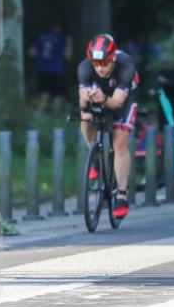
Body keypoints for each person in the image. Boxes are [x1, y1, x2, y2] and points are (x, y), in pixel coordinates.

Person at [77, 33, 138, 219]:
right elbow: (82, 105)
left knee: (119, 141)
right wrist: (85, 99)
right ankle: (95, 158)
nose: (100, 68)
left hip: (123, 98)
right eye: (96, 64)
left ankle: (121, 194)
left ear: (112, 59)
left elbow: (118, 103)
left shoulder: (126, 65)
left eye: (104, 63)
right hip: (100, 95)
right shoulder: (84, 68)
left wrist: (104, 98)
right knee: (86, 119)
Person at [28, 25, 72, 111]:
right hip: (57, 70)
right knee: (58, 95)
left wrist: (42, 56)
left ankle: (38, 115)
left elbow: (31, 53)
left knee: (44, 96)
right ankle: (55, 116)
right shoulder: (61, 39)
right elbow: (67, 56)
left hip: (42, 70)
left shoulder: (42, 38)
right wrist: (69, 42)